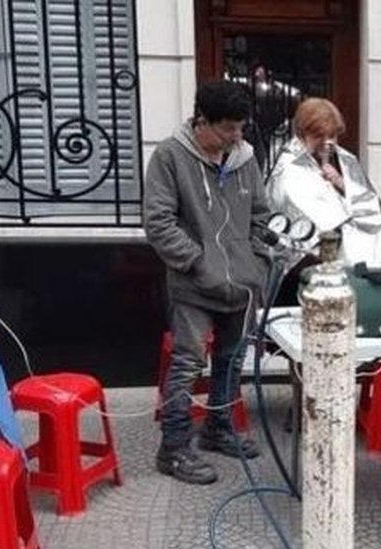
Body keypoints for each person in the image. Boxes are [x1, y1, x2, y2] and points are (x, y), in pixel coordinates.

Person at [143, 81, 272, 485]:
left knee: (232, 359)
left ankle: (218, 428)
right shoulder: (169, 156)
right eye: (227, 129)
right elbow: (159, 223)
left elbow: (261, 214)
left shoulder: (244, 157)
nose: (236, 137)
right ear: (202, 121)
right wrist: (199, 263)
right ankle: (175, 448)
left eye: (240, 128)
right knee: (187, 363)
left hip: (242, 284)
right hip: (195, 284)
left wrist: (255, 260)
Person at [266, 97, 381, 270]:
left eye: (332, 135)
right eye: (318, 136)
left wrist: (342, 184)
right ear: (303, 134)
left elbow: (372, 207)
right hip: (315, 262)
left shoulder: (346, 160)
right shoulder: (289, 167)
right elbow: (308, 217)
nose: (327, 142)